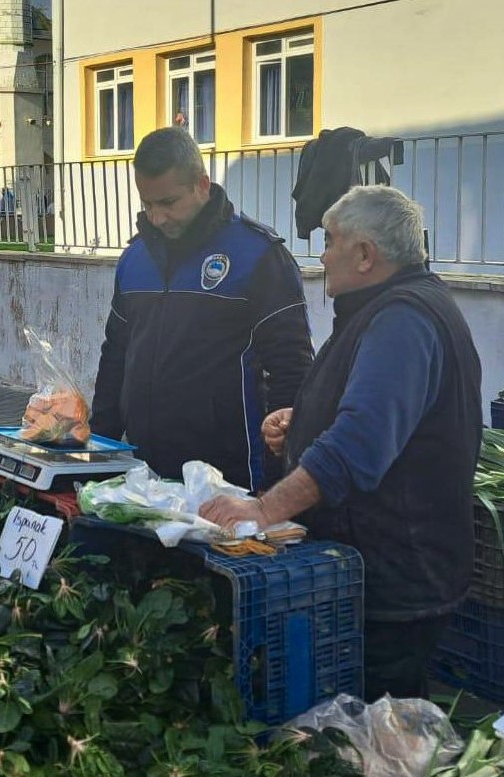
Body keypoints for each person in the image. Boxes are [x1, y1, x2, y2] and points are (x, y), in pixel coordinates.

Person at [200, 185, 483, 701]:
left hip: (396, 577)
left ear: (365, 254)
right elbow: (377, 414)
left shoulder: (403, 319)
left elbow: (358, 447)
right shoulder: (388, 308)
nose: (322, 254)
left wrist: (262, 512)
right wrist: (303, 418)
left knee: (382, 730)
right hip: (387, 566)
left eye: (330, 241)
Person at [91, 127, 313, 491]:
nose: (157, 217)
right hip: (143, 471)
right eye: (147, 204)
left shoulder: (257, 255)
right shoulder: (134, 259)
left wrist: (279, 474)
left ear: (203, 185)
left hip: (231, 476)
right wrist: (101, 449)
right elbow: (115, 356)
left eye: (168, 203)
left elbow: (292, 365)